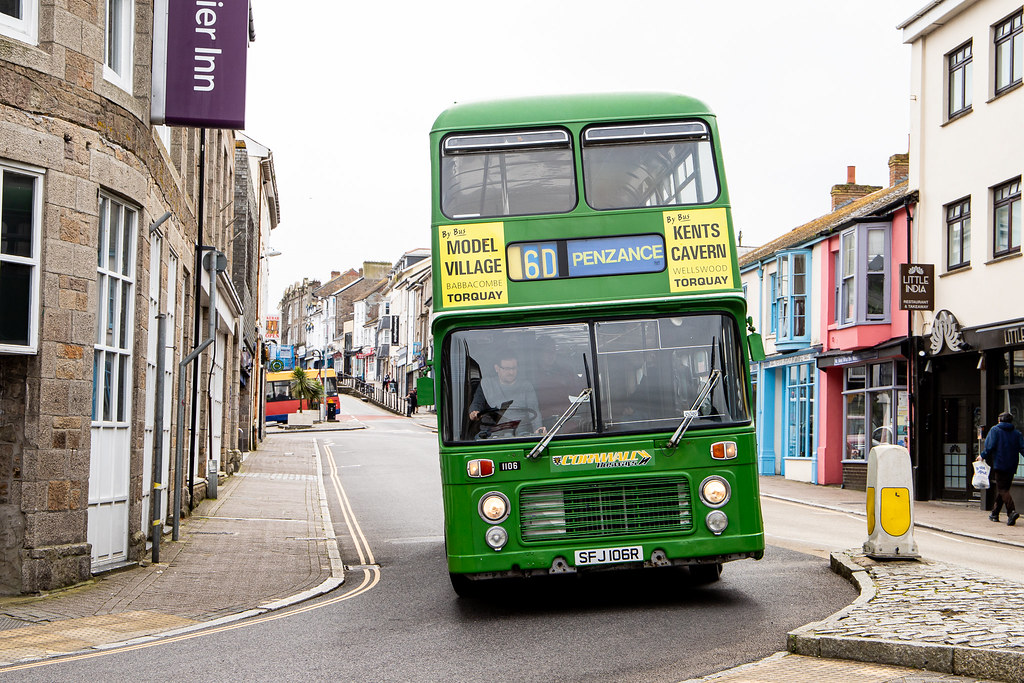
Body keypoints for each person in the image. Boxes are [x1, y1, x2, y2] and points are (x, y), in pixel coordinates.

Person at [468, 351, 545, 437]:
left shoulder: (526, 386)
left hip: (520, 432)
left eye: (514, 368)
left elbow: (534, 410)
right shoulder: (486, 384)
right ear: (497, 368)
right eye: (507, 369)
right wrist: (474, 412)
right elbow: (477, 403)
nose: (511, 372)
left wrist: (538, 429)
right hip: (491, 432)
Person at [980, 412, 1024, 525]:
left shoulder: (995, 430)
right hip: (1012, 465)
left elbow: (989, 446)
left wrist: (982, 456)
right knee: (1003, 489)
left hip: (1000, 464)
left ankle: (1012, 511)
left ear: (1000, 420)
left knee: (1002, 489)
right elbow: (1022, 448)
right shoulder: (1016, 433)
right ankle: (994, 513)